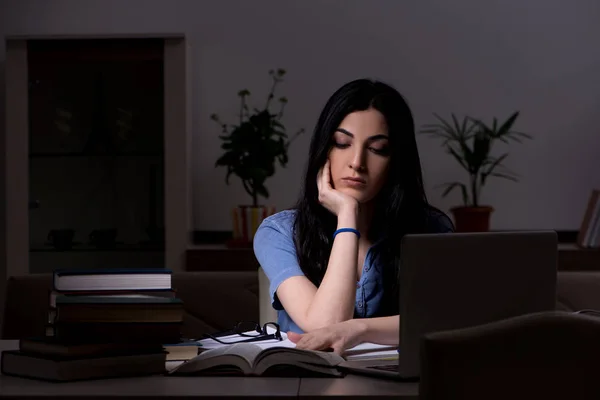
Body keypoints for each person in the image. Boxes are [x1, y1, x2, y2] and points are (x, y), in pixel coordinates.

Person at [253, 78, 454, 354]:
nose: (357, 162)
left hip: (398, 386)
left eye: (377, 149)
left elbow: (441, 320)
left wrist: (360, 329)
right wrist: (347, 215)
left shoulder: (430, 229)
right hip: (306, 386)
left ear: (396, 160)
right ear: (325, 150)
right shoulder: (279, 232)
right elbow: (325, 325)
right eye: (342, 143)